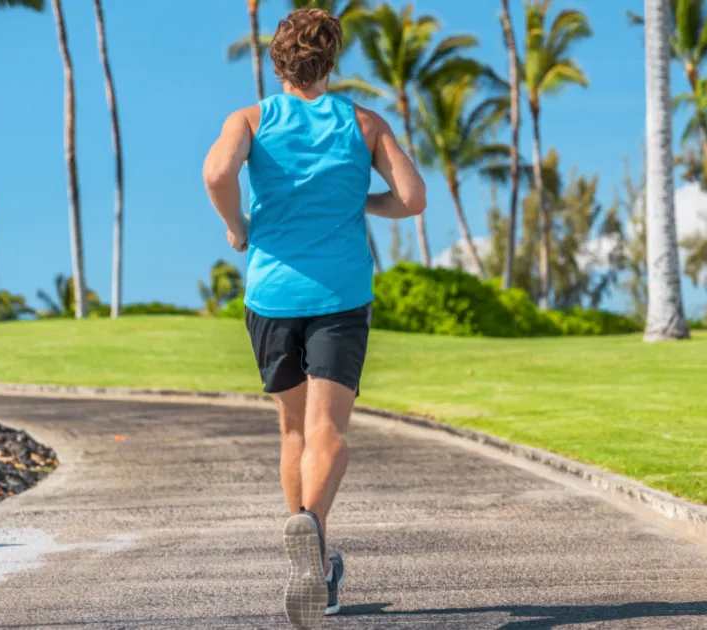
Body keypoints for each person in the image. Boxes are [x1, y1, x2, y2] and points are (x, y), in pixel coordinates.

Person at [202, 8, 426, 628]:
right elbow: (413, 198)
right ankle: (314, 538)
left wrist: (237, 226)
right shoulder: (363, 122)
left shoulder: (250, 119)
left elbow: (218, 172)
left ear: (277, 61)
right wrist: (362, 201)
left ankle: (313, 561)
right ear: (331, 62)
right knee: (330, 430)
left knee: (294, 431)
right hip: (341, 295)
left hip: (272, 295)